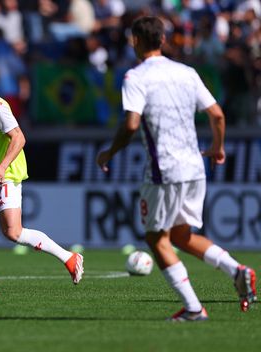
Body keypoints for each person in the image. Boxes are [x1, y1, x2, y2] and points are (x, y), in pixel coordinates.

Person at [96, 16, 257, 322]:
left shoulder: (135, 77)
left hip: (164, 170)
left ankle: (194, 308)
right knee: (182, 236)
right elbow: (217, 115)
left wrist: (109, 152)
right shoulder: (187, 73)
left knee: (157, 239)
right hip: (195, 167)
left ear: (135, 41)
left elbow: (131, 123)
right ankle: (237, 270)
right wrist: (218, 147)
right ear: (163, 40)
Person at [0, 56, 83, 293]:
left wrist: (1, 167)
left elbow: (19, 137)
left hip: (6, 174)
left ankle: (69, 257)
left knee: (13, 232)